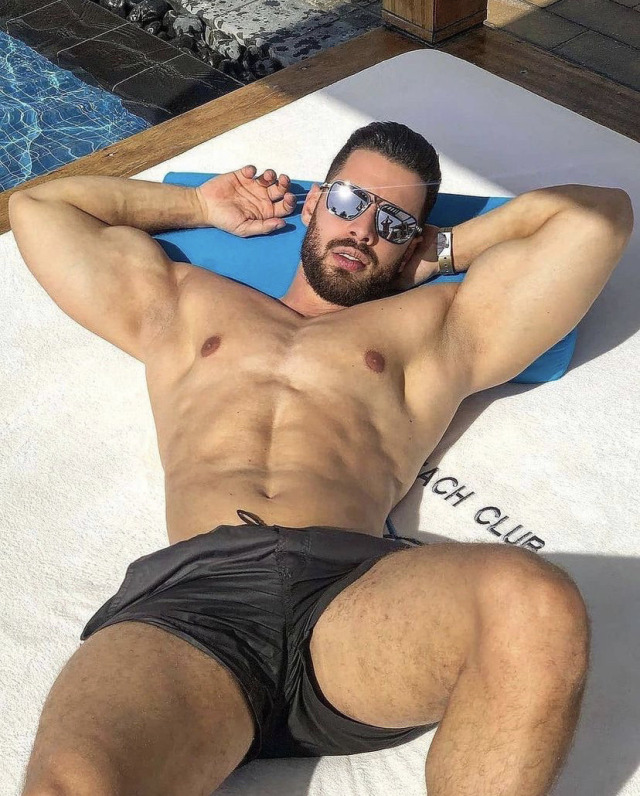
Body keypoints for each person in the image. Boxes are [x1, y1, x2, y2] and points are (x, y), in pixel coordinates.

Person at [9, 121, 633, 796]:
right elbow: (39, 208)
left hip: (355, 602)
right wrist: (196, 205)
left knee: (534, 602)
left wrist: (449, 248)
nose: (362, 230)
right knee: (74, 784)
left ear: (412, 240)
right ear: (313, 203)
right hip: (198, 605)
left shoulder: (435, 331)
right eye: (347, 202)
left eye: (392, 223)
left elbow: (599, 218)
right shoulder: (185, 304)